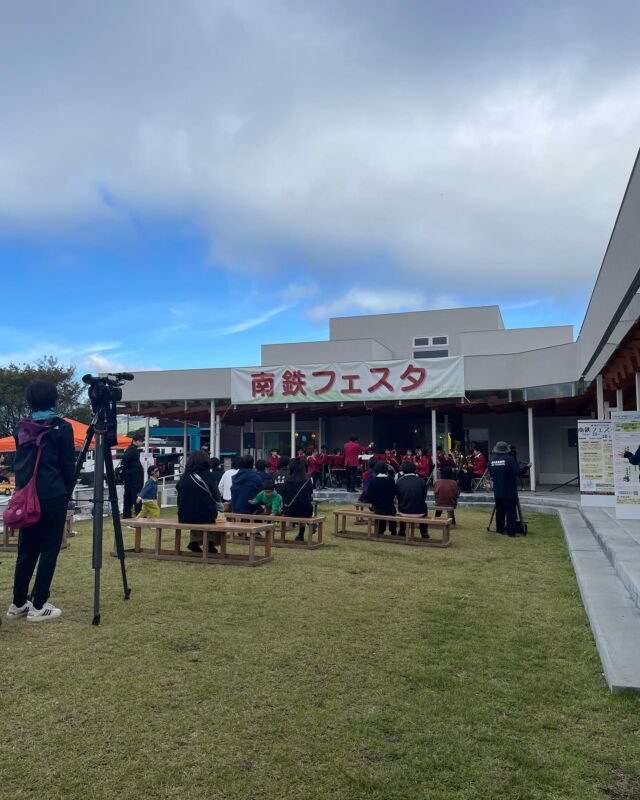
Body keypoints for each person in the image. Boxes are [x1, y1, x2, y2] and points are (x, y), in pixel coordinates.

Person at [6, 380, 75, 622]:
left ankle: (18, 603)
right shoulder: (62, 428)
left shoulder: (21, 428)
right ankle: (38, 604)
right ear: (55, 399)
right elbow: (68, 466)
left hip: (26, 496)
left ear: (30, 401)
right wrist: (68, 493)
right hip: (52, 495)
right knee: (49, 550)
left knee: (26, 549)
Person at [177, 450, 222, 554]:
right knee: (211, 515)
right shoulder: (210, 476)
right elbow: (216, 496)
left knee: (194, 511)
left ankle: (194, 542)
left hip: (184, 516)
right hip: (206, 516)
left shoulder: (184, 477)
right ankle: (210, 544)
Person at [489, 441, 531, 536]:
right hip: (509, 491)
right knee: (510, 511)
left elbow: (491, 473)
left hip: (498, 491)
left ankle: (499, 530)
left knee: (499, 511)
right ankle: (511, 532)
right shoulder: (510, 459)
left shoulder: (492, 460)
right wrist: (527, 467)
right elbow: (518, 472)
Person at [395, 460, 429, 539]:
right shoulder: (421, 481)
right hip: (420, 512)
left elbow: (399, 498)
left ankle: (402, 530)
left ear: (403, 470)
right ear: (414, 469)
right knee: (424, 506)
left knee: (403, 504)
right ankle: (424, 532)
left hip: (403, 511)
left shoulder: (399, 481)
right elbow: (423, 497)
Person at [282, 458, 314, 541]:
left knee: (298, 505)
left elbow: (285, 495)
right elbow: (310, 494)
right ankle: (301, 534)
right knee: (305, 506)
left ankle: (300, 535)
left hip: (290, 511)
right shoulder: (307, 480)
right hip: (306, 511)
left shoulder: (288, 481)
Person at [364, 460, 397, 535]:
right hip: (390, 507)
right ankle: (393, 531)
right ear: (386, 470)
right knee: (392, 511)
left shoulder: (373, 481)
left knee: (379, 509)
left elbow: (368, 496)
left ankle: (381, 530)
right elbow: (394, 493)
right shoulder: (391, 480)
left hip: (378, 508)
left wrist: (374, 502)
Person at [121, 434, 144, 518]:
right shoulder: (132, 449)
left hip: (130, 478)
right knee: (136, 496)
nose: (141, 443)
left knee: (128, 497)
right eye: (140, 441)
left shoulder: (131, 449)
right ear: (134, 441)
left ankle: (127, 515)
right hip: (134, 479)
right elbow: (125, 458)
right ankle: (139, 514)